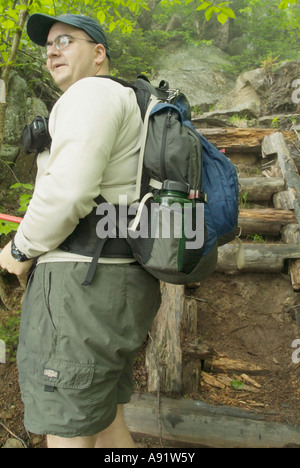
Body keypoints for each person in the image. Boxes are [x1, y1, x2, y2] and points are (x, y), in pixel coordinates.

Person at [0, 13, 161, 449]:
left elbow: (68, 193)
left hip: (81, 286)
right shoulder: (129, 100)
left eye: (65, 40)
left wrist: (18, 250)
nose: (52, 50)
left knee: (68, 428)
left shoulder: (91, 94)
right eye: (48, 45)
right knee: (107, 424)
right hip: (120, 279)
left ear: (98, 53)